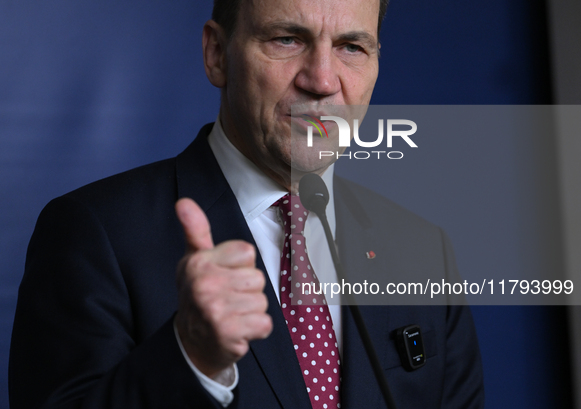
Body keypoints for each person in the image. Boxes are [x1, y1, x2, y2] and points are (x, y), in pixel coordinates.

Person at [9, 0, 485, 408]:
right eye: (286, 39)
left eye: (351, 47)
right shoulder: (96, 233)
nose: (322, 81)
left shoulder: (423, 251)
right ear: (217, 54)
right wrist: (190, 358)